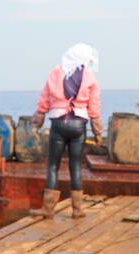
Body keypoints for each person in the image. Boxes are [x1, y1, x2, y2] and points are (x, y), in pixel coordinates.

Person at [32, 44, 102, 219]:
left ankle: (48, 209)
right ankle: (77, 210)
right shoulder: (89, 75)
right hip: (79, 125)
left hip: (59, 123)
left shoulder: (55, 72)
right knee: (76, 166)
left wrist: (39, 116)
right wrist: (98, 130)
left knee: (53, 166)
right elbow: (94, 106)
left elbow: (45, 97)